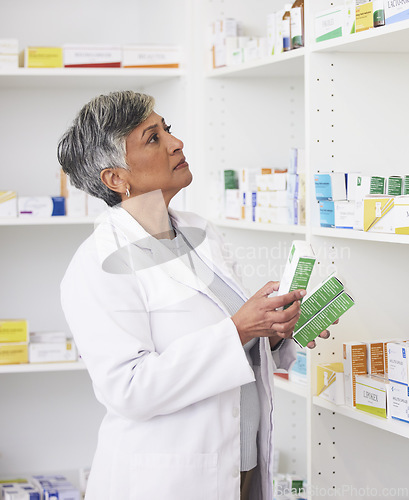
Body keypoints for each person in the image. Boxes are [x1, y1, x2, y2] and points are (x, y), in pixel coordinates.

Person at [58, 90, 330, 500]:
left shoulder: (200, 233)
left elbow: (236, 345)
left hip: (242, 469)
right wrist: (238, 330)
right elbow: (128, 390)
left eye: (167, 129)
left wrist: (275, 329)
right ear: (116, 178)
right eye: (153, 138)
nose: (175, 142)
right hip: (167, 481)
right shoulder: (98, 263)